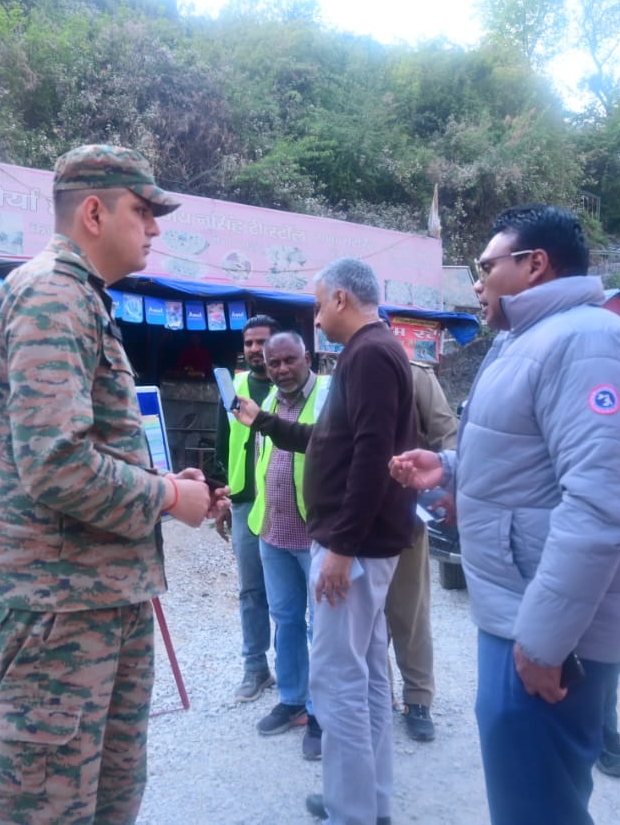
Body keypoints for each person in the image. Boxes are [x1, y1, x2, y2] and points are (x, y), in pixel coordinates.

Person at [0, 144, 222, 824]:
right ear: (92, 211)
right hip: (59, 607)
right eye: (142, 211)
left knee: (107, 799)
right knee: (48, 808)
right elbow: (57, 463)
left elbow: (83, 451)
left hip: (96, 597)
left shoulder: (80, 296)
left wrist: (161, 480)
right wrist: (170, 497)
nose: (155, 228)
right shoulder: (52, 293)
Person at [390, 204, 620, 825]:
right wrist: (451, 471)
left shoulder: (589, 342)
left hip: (546, 627)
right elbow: (529, 461)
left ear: (535, 265)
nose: (477, 282)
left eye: (486, 265)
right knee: (526, 799)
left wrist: (544, 642)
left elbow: (597, 505)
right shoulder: (524, 340)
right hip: (518, 609)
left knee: (539, 808)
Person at [235, 257, 418, 825]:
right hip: (362, 544)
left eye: (317, 305)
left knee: (339, 679)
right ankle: (366, 802)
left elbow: (370, 457)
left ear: (340, 299)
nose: (315, 317)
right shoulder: (371, 352)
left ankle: (352, 812)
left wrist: (339, 547)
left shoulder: (368, 355)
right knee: (362, 676)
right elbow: (330, 439)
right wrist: (263, 423)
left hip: (354, 549)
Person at [246, 331, 331, 759]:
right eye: (273, 362)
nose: (281, 369)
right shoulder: (266, 403)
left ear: (307, 357)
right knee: (286, 621)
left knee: (324, 629)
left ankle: (321, 714)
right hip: (273, 532)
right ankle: (294, 699)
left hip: (315, 537)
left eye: (289, 361)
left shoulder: (329, 396)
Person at [385, 359, 457, 743]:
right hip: (357, 521)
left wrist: (449, 486)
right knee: (364, 620)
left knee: (408, 610)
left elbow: (447, 432)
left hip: (405, 515)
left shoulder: (413, 374)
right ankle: (378, 698)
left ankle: (417, 698)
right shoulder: (342, 371)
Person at [214, 314, 280, 702]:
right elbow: (223, 448)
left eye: (264, 342)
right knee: (252, 591)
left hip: (289, 504)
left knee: (297, 593)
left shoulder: (292, 386)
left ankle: (300, 674)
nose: (256, 350)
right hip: (245, 504)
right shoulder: (233, 387)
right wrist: (224, 495)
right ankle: (255, 668)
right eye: (250, 343)